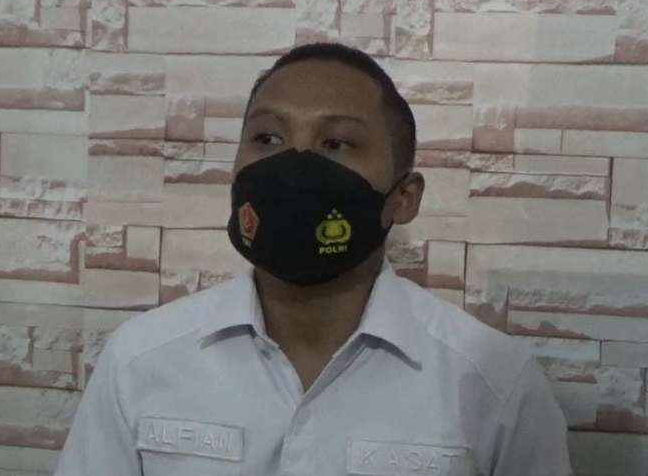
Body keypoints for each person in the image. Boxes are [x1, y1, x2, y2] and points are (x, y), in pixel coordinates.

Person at [53, 42, 573, 476]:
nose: (294, 163)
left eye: (337, 143)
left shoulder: (495, 384)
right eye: (268, 138)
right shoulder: (140, 361)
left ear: (404, 198)